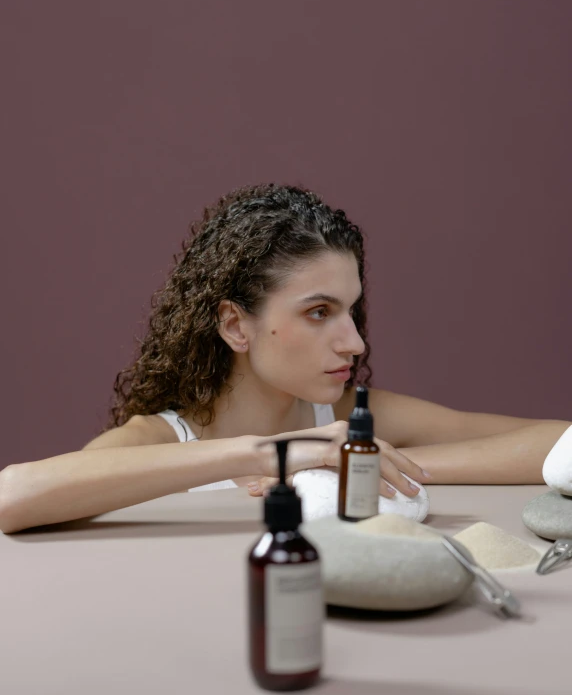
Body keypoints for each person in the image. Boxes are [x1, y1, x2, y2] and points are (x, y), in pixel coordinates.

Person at [0, 184, 568, 534]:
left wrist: (358, 464)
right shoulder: (163, 439)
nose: (355, 342)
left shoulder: (343, 421)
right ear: (234, 325)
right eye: (319, 311)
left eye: (351, 310)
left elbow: (560, 445)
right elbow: (13, 498)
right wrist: (270, 457)